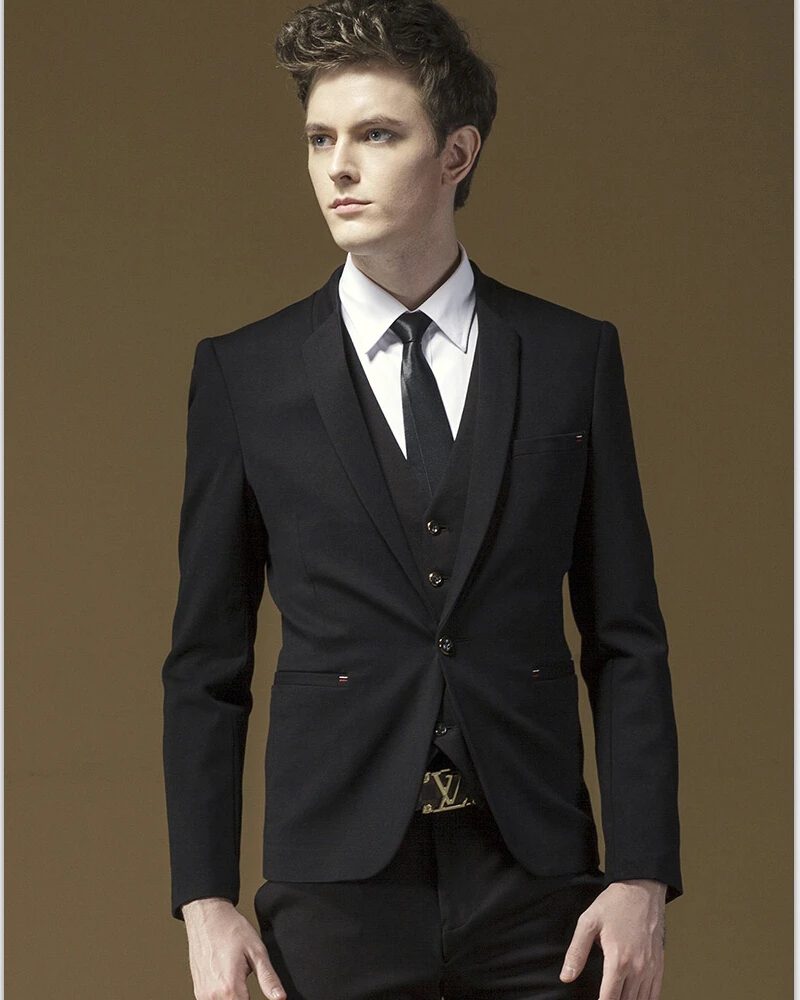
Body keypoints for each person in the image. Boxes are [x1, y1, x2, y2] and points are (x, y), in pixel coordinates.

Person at [161, 1, 683, 998]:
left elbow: (626, 638)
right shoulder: (244, 374)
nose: (338, 168)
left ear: (455, 153)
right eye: (320, 139)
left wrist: (642, 874)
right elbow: (206, 662)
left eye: (375, 135)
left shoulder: (570, 357)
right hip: (333, 882)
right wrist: (204, 898)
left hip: (539, 879)